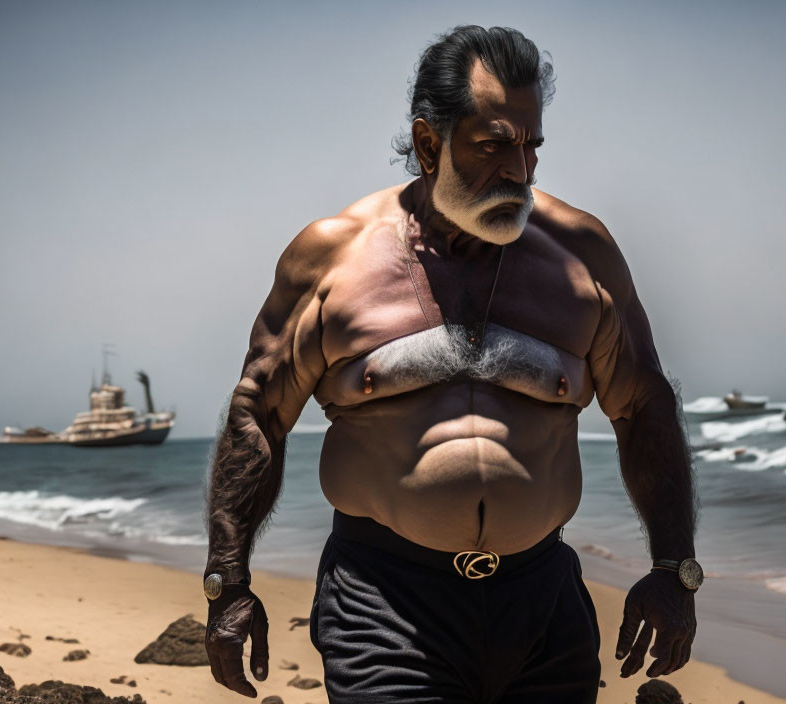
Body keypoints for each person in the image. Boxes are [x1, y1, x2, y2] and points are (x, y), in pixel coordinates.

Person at [203, 24, 700, 704]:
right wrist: (228, 583)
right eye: (495, 145)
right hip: (387, 606)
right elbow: (258, 412)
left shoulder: (581, 254)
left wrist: (673, 567)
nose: (519, 170)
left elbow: (643, 406)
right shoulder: (334, 259)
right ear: (428, 144)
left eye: (531, 147)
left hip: (543, 604)